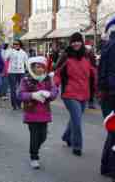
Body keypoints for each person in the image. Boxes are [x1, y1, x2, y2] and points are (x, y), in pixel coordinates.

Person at [54, 32, 97, 156]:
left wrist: (98, 89)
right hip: (70, 93)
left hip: (84, 93)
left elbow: (94, 74)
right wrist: (54, 87)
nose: (76, 43)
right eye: (73, 41)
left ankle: (66, 136)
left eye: (78, 41)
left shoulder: (88, 56)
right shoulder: (66, 56)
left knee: (75, 118)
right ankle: (77, 146)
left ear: (82, 42)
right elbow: (57, 73)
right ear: (71, 43)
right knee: (77, 120)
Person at [19, 56, 58, 169]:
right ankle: (34, 157)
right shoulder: (26, 79)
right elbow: (20, 94)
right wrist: (32, 95)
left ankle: (35, 148)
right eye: (37, 67)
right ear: (32, 67)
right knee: (34, 136)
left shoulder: (48, 79)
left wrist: (49, 94)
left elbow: (55, 91)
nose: (39, 69)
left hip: (44, 113)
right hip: (32, 113)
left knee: (43, 136)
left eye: (41, 67)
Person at [99, 18, 115, 181]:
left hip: (107, 94)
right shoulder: (112, 46)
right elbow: (110, 73)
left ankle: (107, 166)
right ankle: (110, 167)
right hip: (111, 94)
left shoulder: (108, 45)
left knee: (113, 131)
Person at [5, 40, 28, 110]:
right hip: (12, 72)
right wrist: (9, 50)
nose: (15, 45)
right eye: (14, 44)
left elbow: (26, 62)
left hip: (21, 72)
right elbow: (5, 57)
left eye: (17, 44)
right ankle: (14, 105)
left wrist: (29, 71)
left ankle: (19, 103)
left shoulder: (23, 53)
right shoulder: (10, 51)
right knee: (13, 89)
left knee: (21, 88)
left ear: (20, 45)